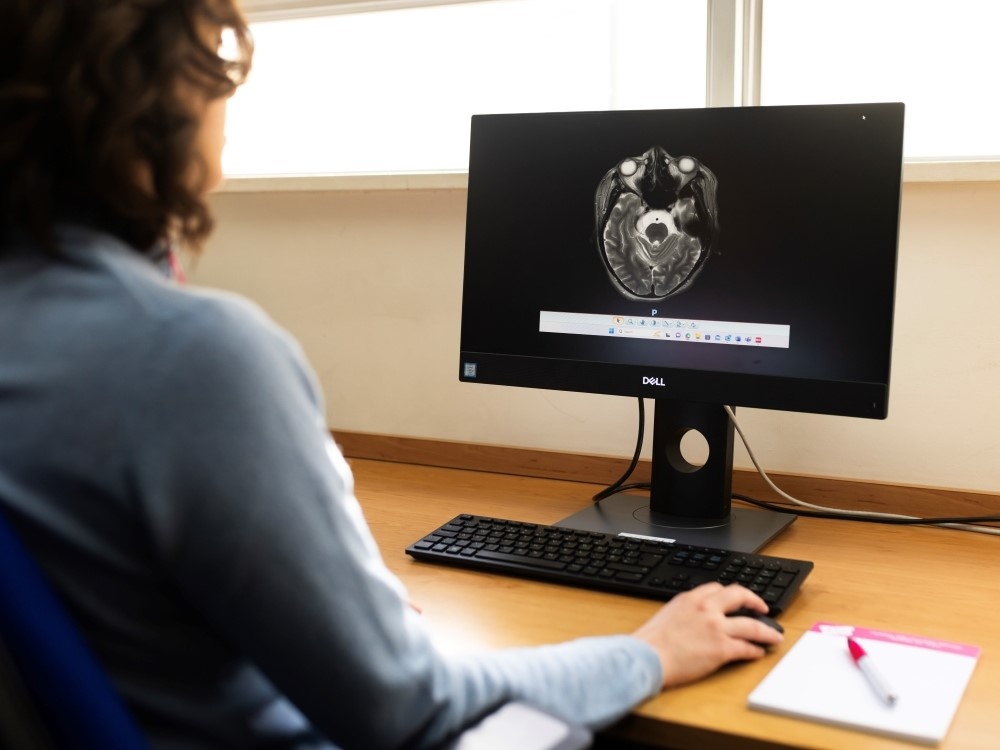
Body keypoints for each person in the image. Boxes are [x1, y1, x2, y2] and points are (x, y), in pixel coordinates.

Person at [0, 1, 783, 748]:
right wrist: (648, 652)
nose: (226, 89)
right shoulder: (190, 359)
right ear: (150, 92)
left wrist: (333, 612)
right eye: (212, 55)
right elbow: (403, 706)